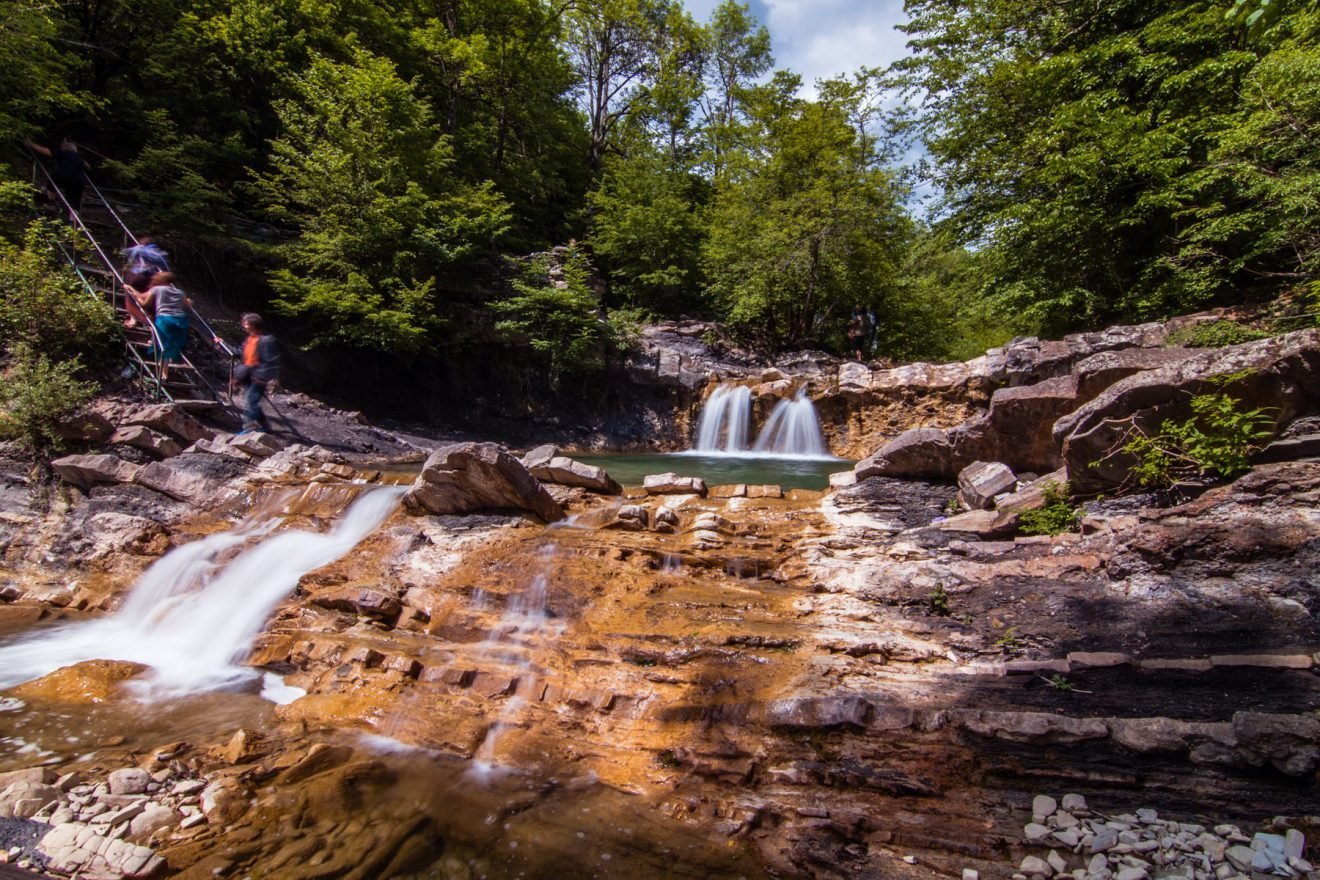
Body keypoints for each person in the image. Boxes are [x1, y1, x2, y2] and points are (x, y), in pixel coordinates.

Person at [124, 272, 191, 379]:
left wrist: (131, 291)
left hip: (165, 319)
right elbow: (186, 306)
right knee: (168, 343)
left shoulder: (156, 289)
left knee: (162, 346)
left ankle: (164, 374)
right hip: (180, 321)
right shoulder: (180, 292)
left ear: (161, 281)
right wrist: (189, 302)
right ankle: (157, 347)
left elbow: (144, 303)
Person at [227, 313, 281, 433]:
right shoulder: (249, 340)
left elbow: (270, 361)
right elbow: (239, 352)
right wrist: (221, 344)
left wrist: (263, 377)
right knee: (251, 401)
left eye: (246, 323)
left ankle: (249, 428)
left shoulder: (266, 341)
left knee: (251, 402)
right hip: (248, 376)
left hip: (259, 377)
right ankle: (265, 425)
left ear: (253, 325)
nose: (243, 325)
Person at [24, 137, 89, 220]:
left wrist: (31, 144)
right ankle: (73, 222)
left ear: (65, 147)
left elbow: (47, 151)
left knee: (52, 182)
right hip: (78, 181)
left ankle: (51, 202)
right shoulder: (79, 158)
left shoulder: (63, 153)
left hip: (62, 176)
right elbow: (88, 166)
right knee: (75, 202)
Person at [121, 237, 170, 327]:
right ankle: (151, 320)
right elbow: (166, 268)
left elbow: (127, 252)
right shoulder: (159, 253)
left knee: (130, 293)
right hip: (153, 279)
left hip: (137, 276)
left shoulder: (140, 248)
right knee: (149, 299)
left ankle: (134, 319)